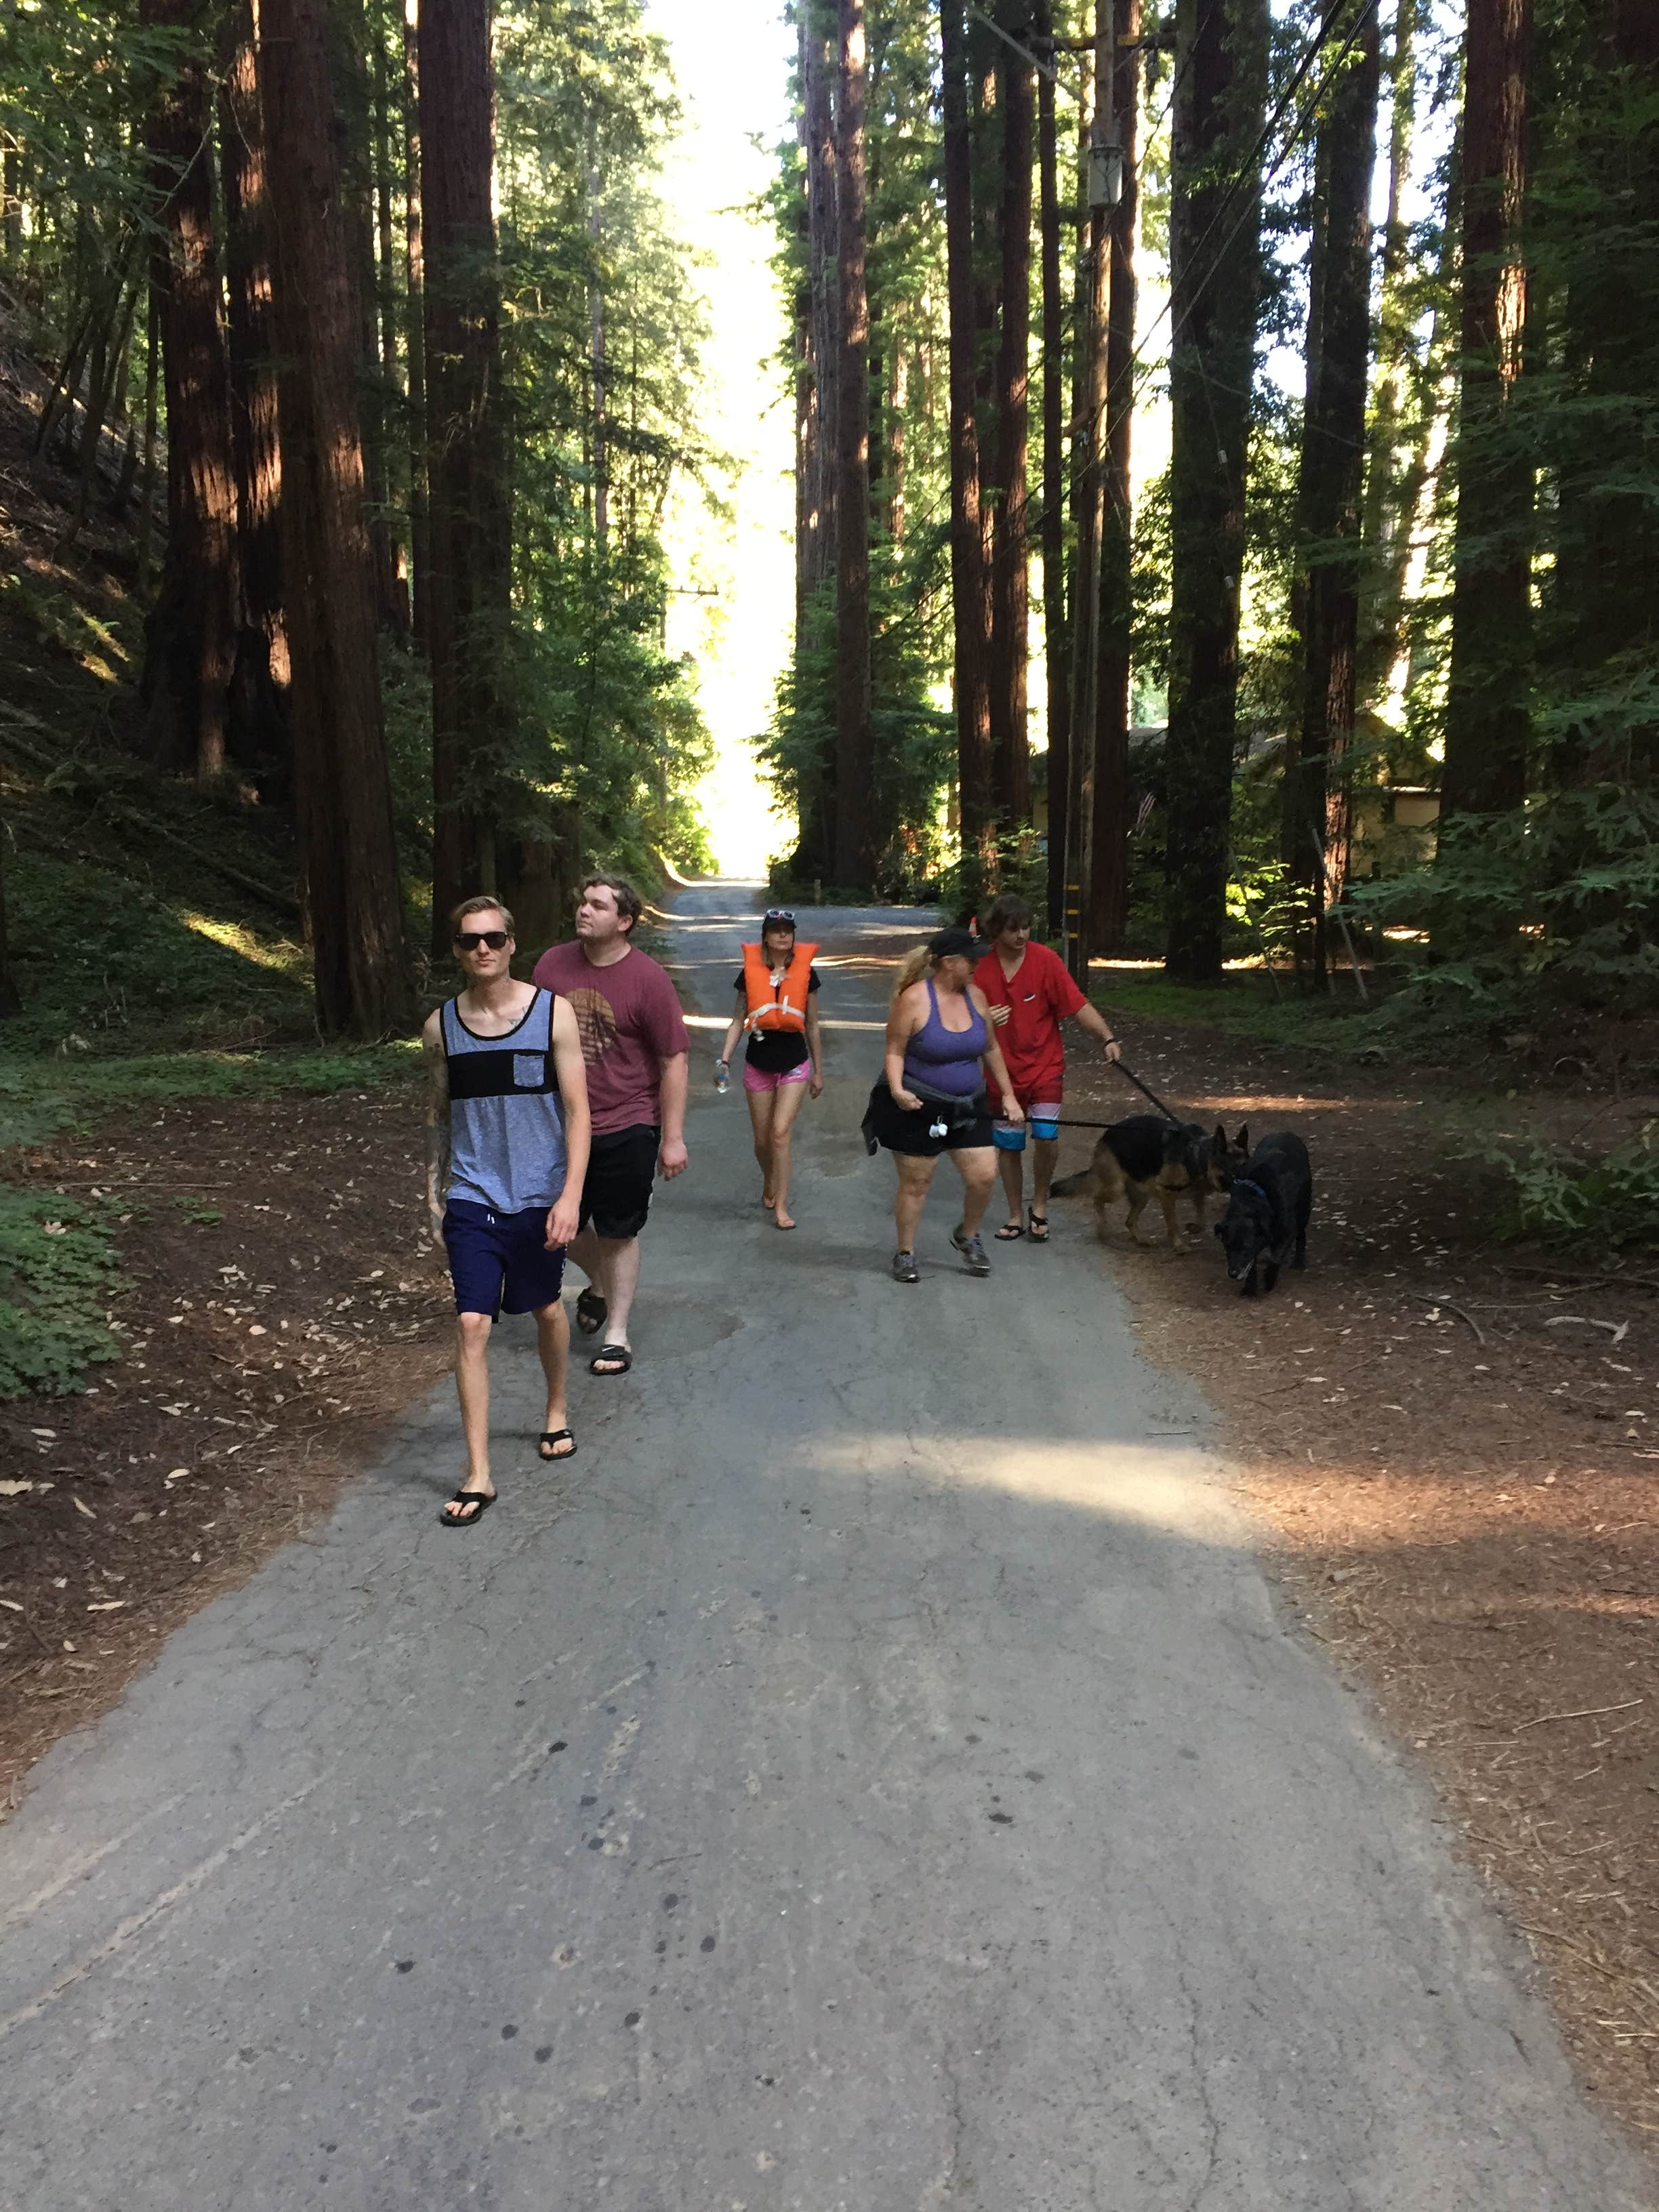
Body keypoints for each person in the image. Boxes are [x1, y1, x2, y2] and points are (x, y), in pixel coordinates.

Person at [424, 896, 592, 1528]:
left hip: (539, 1196)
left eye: (493, 937)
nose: (483, 950)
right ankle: (479, 1474)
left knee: (546, 1308)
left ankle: (555, 1407)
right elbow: (438, 1114)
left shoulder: (553, 1014)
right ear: (458, 951)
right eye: (470, 941)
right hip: (472, 1195)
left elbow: (578, 1112)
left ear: (512, 942)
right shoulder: (441, 1026)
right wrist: (431, 1189)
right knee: (472, 1324)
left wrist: (570, 1196)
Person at [532, 874, 690, 1376]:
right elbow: (532, 1041)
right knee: (555, 1226)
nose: (584, 910)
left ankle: (617, 1334)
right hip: (559, 1123)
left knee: (619, 1231)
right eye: (583, 902)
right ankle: (600, 1282)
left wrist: (673, 1137)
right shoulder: (551, 966)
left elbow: (674, 1059)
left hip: (627, 1119)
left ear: (624, 921)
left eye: (598, 905)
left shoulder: (647, 979)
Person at [865, 925, 1023, 1283]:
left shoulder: (977, 997)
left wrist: (1009, 1095)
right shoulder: (915, 1000)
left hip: (968, 1104)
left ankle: (967, 1235)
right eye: (971, 960)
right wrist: (897, 1090)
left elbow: (991, 1048)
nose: (977, 966)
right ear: (949, 962)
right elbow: (894, 1050)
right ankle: (905, 1252)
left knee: (984, 1176)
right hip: (919, 1105)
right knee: (917, 1182)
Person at [972, 891, 1122, 1245]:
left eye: (1026, 928)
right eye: (1013, 929)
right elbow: (960, 1021)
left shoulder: (1046, 961)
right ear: (997, 931)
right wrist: (984, 1020)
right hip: (1001, 1074)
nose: (1021, 936)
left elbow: (1078, 1004)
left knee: (1046, 1136)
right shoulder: (980, 967)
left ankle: (1039, 1205)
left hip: (1045, 1068)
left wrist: (1107, 1037)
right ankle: (1013, 1214)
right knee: (1009, 1145)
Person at [715, 907, 825, 1231]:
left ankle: (781, 1204)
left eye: (788, 930)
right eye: (776, 930)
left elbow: (815, 1027)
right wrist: (725, 1058)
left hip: (795, 1062)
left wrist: (819, 1071)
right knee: (762, 1141)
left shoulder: (808, 973)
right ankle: (769, 1179)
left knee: (780, 1133)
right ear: (765, 935)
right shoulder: (749, 972)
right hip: (758, 1063)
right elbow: (738, 1020)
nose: (783, 935)